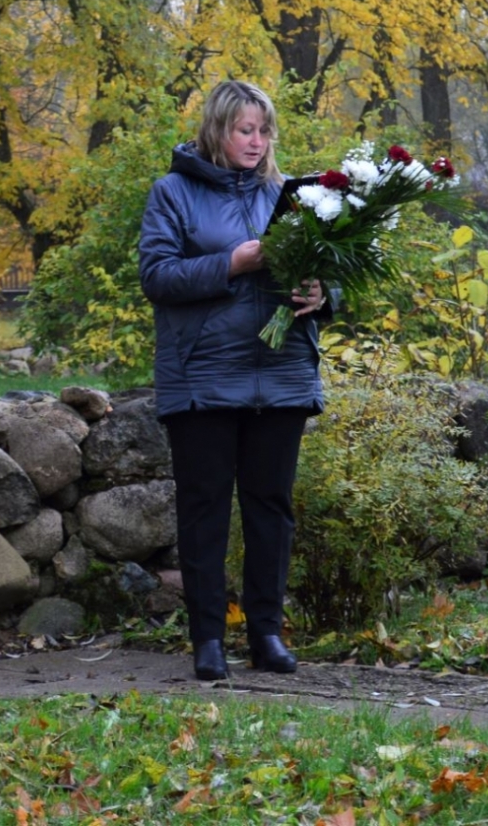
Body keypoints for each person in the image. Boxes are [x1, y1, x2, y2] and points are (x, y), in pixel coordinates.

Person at [138, 79, 327, 680]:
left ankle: (266, 635)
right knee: (205, 509)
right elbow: (157, 277)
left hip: (281, 374)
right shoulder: (173, 193)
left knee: (271, 508)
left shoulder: (290, 194)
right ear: (217, 130)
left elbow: (329, 275)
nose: (256, 140)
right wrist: (231, 264)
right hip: (202, 378)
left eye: (263, 129)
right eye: (244, 129)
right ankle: (208, 641)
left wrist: (321, 295)